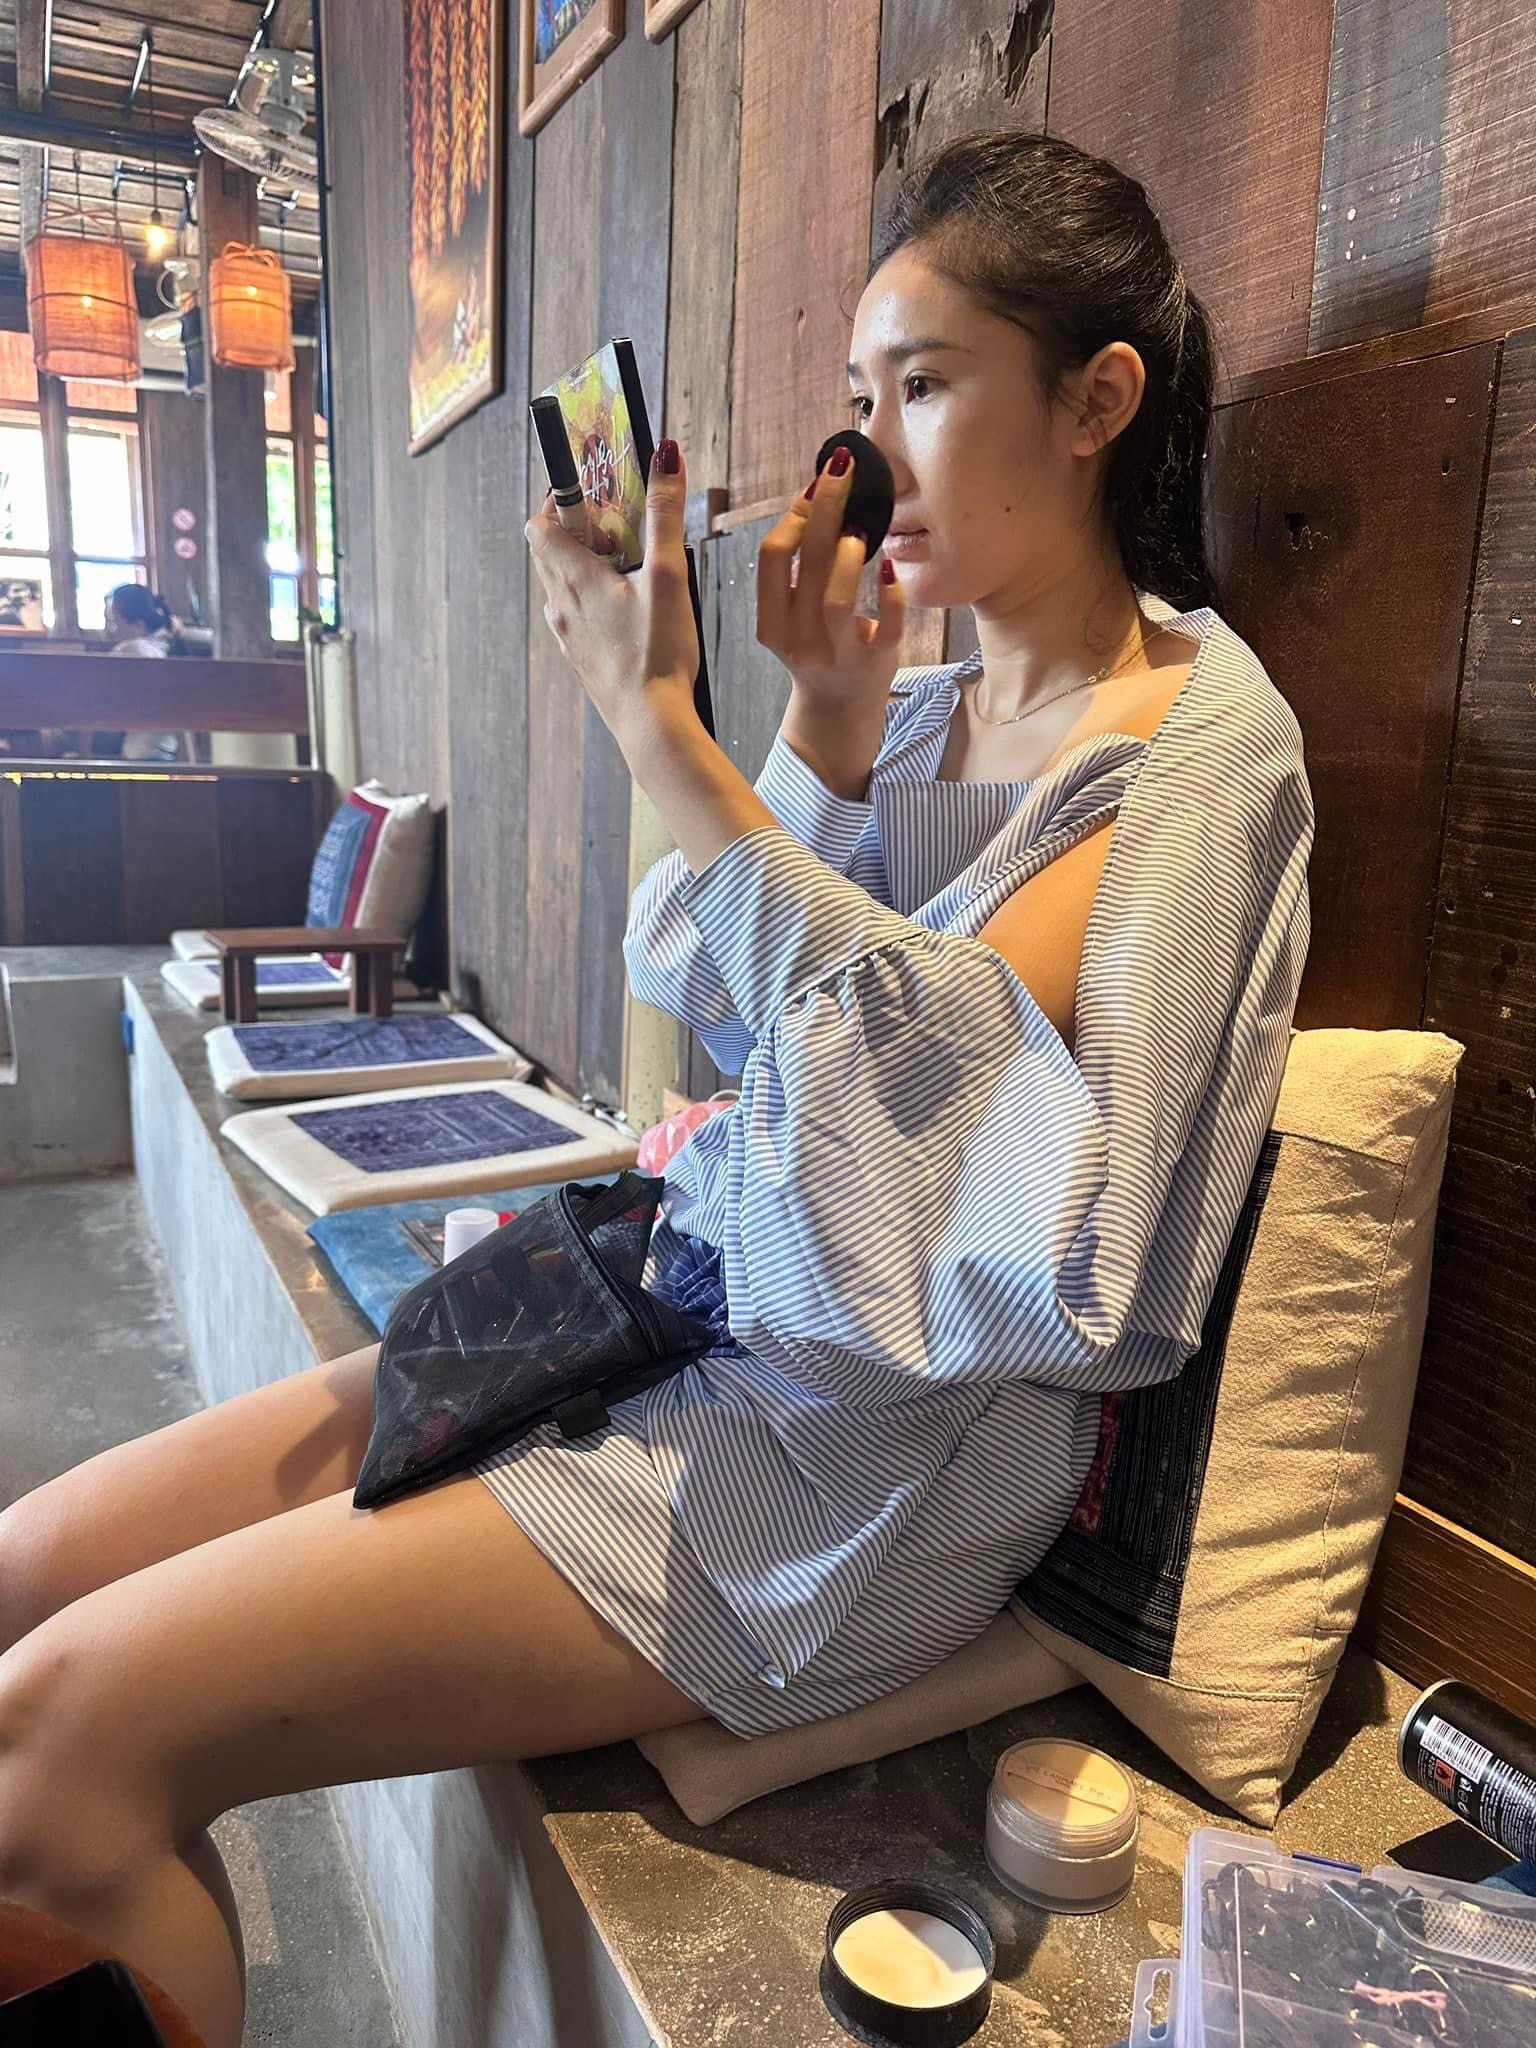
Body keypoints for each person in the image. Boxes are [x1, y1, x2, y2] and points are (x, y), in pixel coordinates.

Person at [0, 132, 1311, 2048]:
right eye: (858, 394)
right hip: (658, 1308)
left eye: (924, 387)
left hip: (846, 1464)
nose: (863, 454)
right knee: (25, 1574)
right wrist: (820, 728)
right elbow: (703, 985)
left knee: (67, 1738)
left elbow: (962, 1179)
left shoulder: (1198, 749)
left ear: (1097, 400)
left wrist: (662, 728)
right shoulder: (925, 704)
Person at [106, 582, 184, 764]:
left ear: (139, 626)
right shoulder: (170, 645)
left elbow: (96, 690)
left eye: (115, 623)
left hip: (139, 751)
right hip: (169, 747)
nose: (112, 632)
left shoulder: (132, 649)